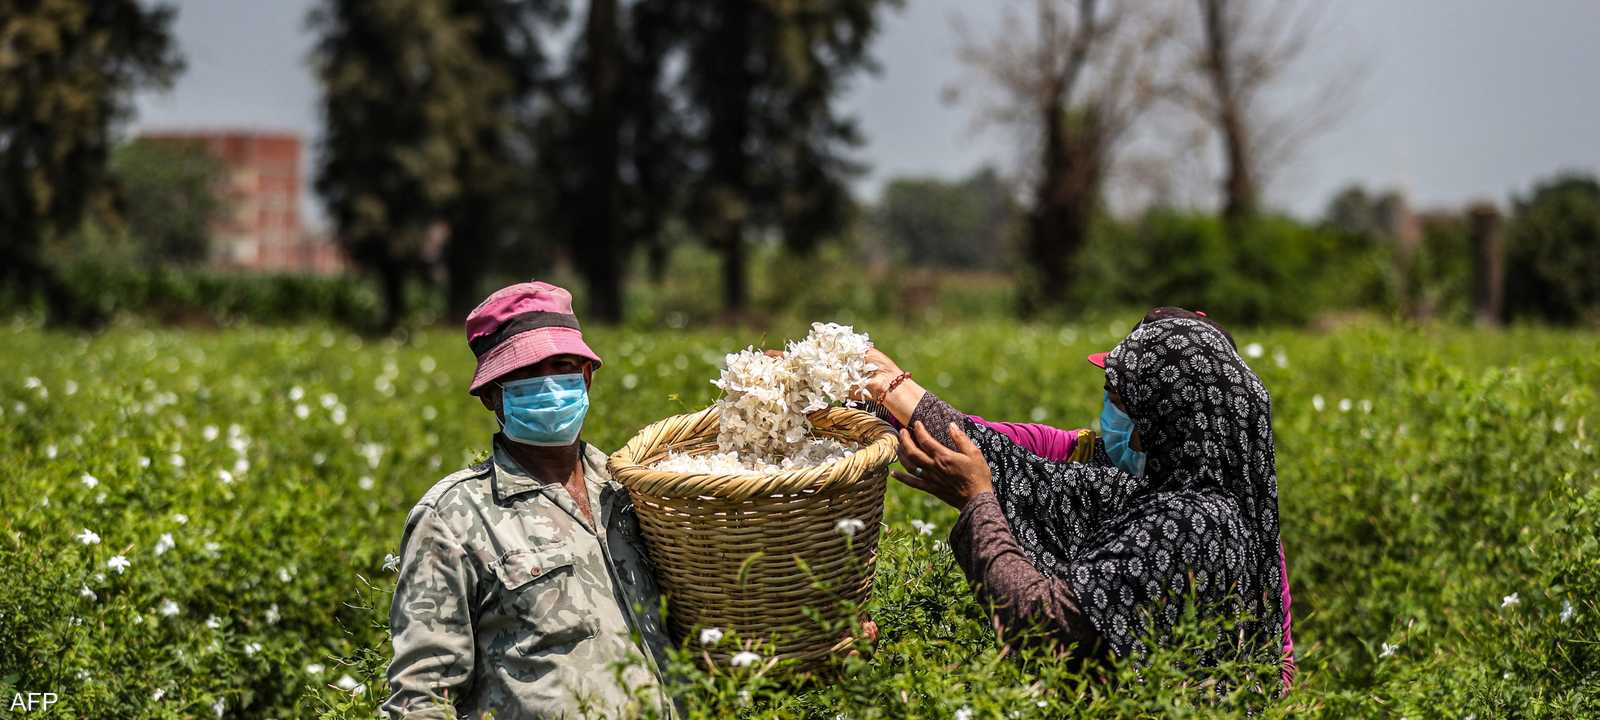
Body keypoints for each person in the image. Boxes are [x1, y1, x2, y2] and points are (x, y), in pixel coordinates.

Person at [867, 307, 1293, 689]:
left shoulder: (1191, 523)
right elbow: (1014, 464)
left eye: (1119, 398)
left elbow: (1041, 624)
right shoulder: (1160, 495)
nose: (1111, 411)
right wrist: (893, 391)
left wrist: (978, 501)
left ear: (1162, 417)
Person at [383, 281, 674, 719]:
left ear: (587, 376)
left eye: (562, 365)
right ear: (490, 394)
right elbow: (422, 699)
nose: (550, 384)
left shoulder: (632, 491)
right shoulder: (454, 517)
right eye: (527, 372)